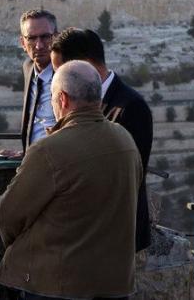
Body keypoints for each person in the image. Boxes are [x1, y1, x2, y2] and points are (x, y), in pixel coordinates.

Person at [0, 60, 142, 300]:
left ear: (62, 99)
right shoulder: (124, 140)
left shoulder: (49, 150)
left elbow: (10, 215)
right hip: (114, 283)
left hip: (56, 284)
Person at [50, 28, 153, 252]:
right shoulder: (74, 101)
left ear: (84, 64)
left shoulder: (130, 107)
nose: (57, 80)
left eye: (61, 71)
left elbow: (128, 175)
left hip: (115, 235)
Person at [18, 9, 58, 153]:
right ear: (23, 42)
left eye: (45, 37)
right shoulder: (28, 68)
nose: (39, 45)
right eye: (32, 38)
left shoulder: (69, 74)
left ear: (56, 38)